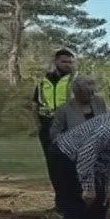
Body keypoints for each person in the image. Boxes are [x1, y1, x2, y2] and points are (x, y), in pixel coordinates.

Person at [49, 73, 110, 219]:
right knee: (79, 198)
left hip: (98, 156)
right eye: (87, 92)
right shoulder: (64, 110)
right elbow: (55, 134)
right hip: (73, 158)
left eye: (93, 91)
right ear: (76, 92)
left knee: (102, 196)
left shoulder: (99, 103)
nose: (91, 95)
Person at [31, 49, 76, 193]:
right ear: (56, 61)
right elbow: (35, 104)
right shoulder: (43, 82)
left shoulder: (75, 81)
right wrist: (37, 124)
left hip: (69, 127)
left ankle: (74, 199)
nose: (67, 65)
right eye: (64, 61)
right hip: (47, 126)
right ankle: (60, 200)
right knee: (53, 164)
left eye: (70, 62)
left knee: (70, 163)